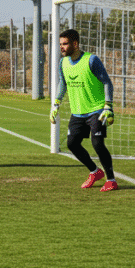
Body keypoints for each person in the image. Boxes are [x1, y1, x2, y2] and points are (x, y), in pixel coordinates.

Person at [50, 29, 118, 192]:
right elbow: (63, 83)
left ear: (75, 44)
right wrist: (56, 104)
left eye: (65, 44)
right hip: (78, 111)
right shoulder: (63, 63)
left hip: (97, 109)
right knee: (72, 144)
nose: (61, 47)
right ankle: (95, 172)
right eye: (60, 44)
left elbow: (107, 82)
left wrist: (108, 106)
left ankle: (111, 180)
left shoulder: (91, 60)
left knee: (97, 143)